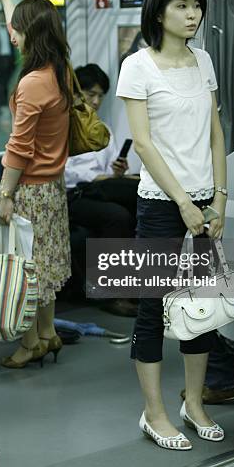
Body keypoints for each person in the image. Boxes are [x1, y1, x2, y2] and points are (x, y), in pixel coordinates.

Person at [116, 0, 228, 450]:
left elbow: (216, 134)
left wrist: (219, 197)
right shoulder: (137, 66)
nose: (193, 14)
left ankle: (194, 403)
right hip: (163, 205)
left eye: (196, 6)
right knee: (151, 309)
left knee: (199, 310)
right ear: (159, 11)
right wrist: (183, 201)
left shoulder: (203, 61)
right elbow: (142, 144)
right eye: (183, 5)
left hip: (207, 203)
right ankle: (154, 413)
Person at [0, 0, 72, 369]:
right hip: (53, 188)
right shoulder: (59, 72)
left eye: (17, 28)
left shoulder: (31, 83)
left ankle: (29, 344)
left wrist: (4, 195)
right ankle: (47, 334)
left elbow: (18, 147)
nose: (11, 33)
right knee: (46, 265)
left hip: (28, 190)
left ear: (31, 34)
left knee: (26, 268)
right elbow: (19, 25)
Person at [65, 63, 139, 315]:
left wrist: (115, 172)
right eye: (90, 95)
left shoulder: (102, 130)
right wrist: (100, 178)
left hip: (100, 189)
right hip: (73, 195)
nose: (96, 101)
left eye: (100, 96)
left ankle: (140, 287)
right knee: (117, 216)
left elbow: (108, 168)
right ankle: (113, 295)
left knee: (140, 200)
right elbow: (65, 171)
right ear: (76, 94)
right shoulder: (63, 127)